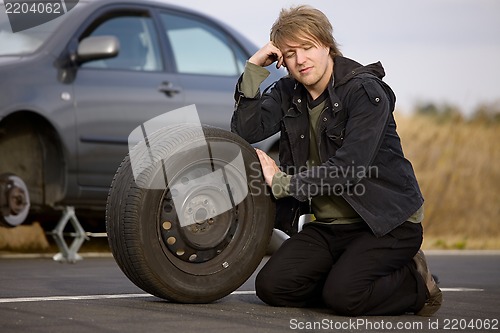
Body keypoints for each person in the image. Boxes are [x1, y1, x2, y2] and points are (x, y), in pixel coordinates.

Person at [231, 5, 442, 316]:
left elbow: (349, 168)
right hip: (331, 227)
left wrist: (283, 183)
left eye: (307, 47)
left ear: (326, 45)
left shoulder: (364, 91)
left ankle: (417, 284)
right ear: (282, 60)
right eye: (289, 53)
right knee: (273, 287)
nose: (300, 59)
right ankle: (342, 280)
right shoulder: (289, 91)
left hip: (385, 224)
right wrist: (253, 67)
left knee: (346, 297)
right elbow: (246, 130)